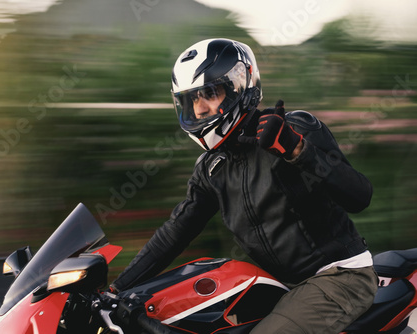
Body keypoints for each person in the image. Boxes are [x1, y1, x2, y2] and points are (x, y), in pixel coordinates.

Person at [110, 38, 378, 333]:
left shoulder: (295, 129)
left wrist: (297, 150)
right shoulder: (212, 169)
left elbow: (359, 196)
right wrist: (115, 290)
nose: (199, 109)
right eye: (191, 100)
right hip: (274, 284)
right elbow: (175, 233)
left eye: (209, 93)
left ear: (240, 84)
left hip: (338, 276)